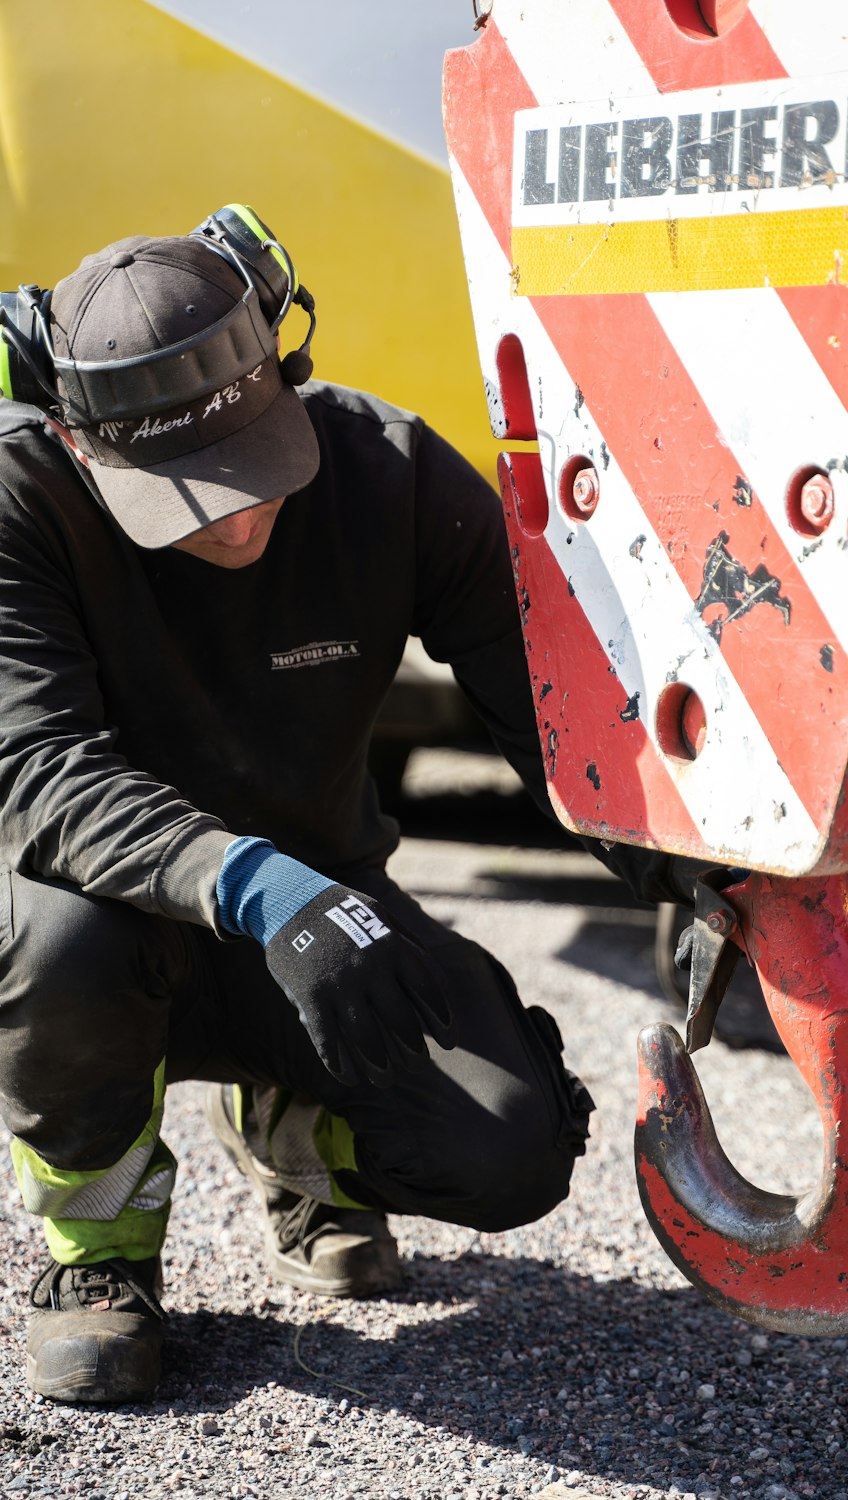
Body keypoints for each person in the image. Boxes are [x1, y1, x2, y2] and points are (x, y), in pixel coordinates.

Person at [0, 206, 696, 1405]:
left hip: (319, 908)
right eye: (186, 492)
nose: (235, 512)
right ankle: (98, 1252)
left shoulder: (391, 474)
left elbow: (557, 709)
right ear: (77, 437)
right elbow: (35, 772)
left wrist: (708, 874)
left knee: (510, 1146)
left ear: (288, 371)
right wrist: (258, 888)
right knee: (58, 943)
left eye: (251, 465)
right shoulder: (22, 502)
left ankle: (296, 1136)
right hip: (117, 916)